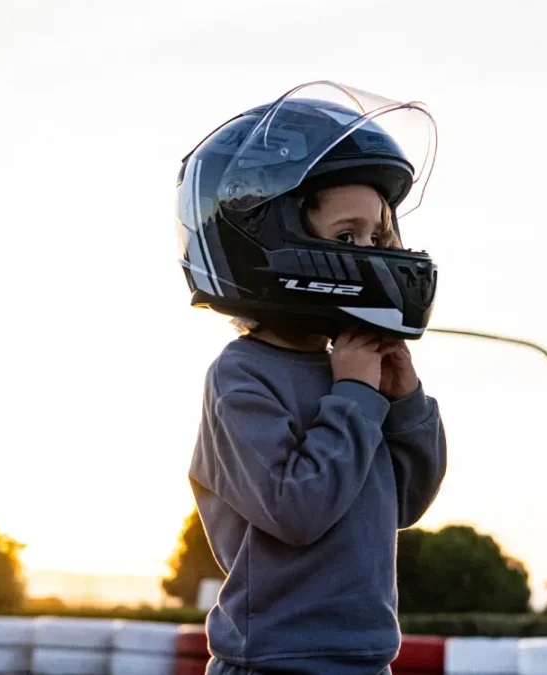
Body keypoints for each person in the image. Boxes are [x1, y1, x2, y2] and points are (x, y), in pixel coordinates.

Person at [175, 82, 447, 675]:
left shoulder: (350, 369)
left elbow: (404, 503)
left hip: (366, 659)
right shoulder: (241, 377)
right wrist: (352, 396)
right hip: (273, 662)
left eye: (378, 236)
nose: (372, 251)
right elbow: (297, 510)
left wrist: (405, 403)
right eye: (348, 236)